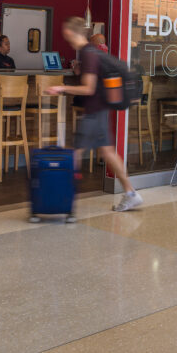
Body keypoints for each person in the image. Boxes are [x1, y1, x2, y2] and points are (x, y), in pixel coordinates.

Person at [45, 17, 142, 212]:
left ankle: (61, 201)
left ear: (73, 34)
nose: (66, 39)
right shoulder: (92, 52)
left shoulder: (88, 55)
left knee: (76, 153)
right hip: (100, 110)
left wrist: (61, 87)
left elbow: (88, 89)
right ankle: (131, 193)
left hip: (94, 112)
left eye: (67, 35)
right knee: (107, 152)